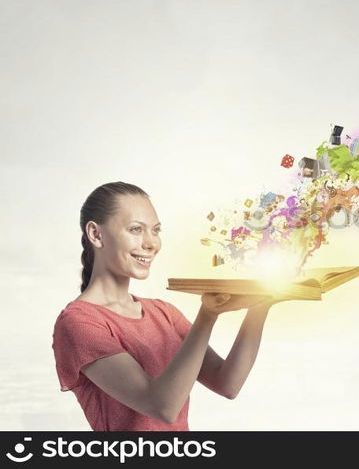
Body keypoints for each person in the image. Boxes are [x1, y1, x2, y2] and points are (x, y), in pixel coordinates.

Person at [52, 182, 278, 431]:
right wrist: (208, 316)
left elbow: (228, 383)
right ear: (96, 234)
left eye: (156, 230)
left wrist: (261, 304)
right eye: (136, 229)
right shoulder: (79, 323)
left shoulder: (163, 313)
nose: (151, 243)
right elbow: (162, 406)